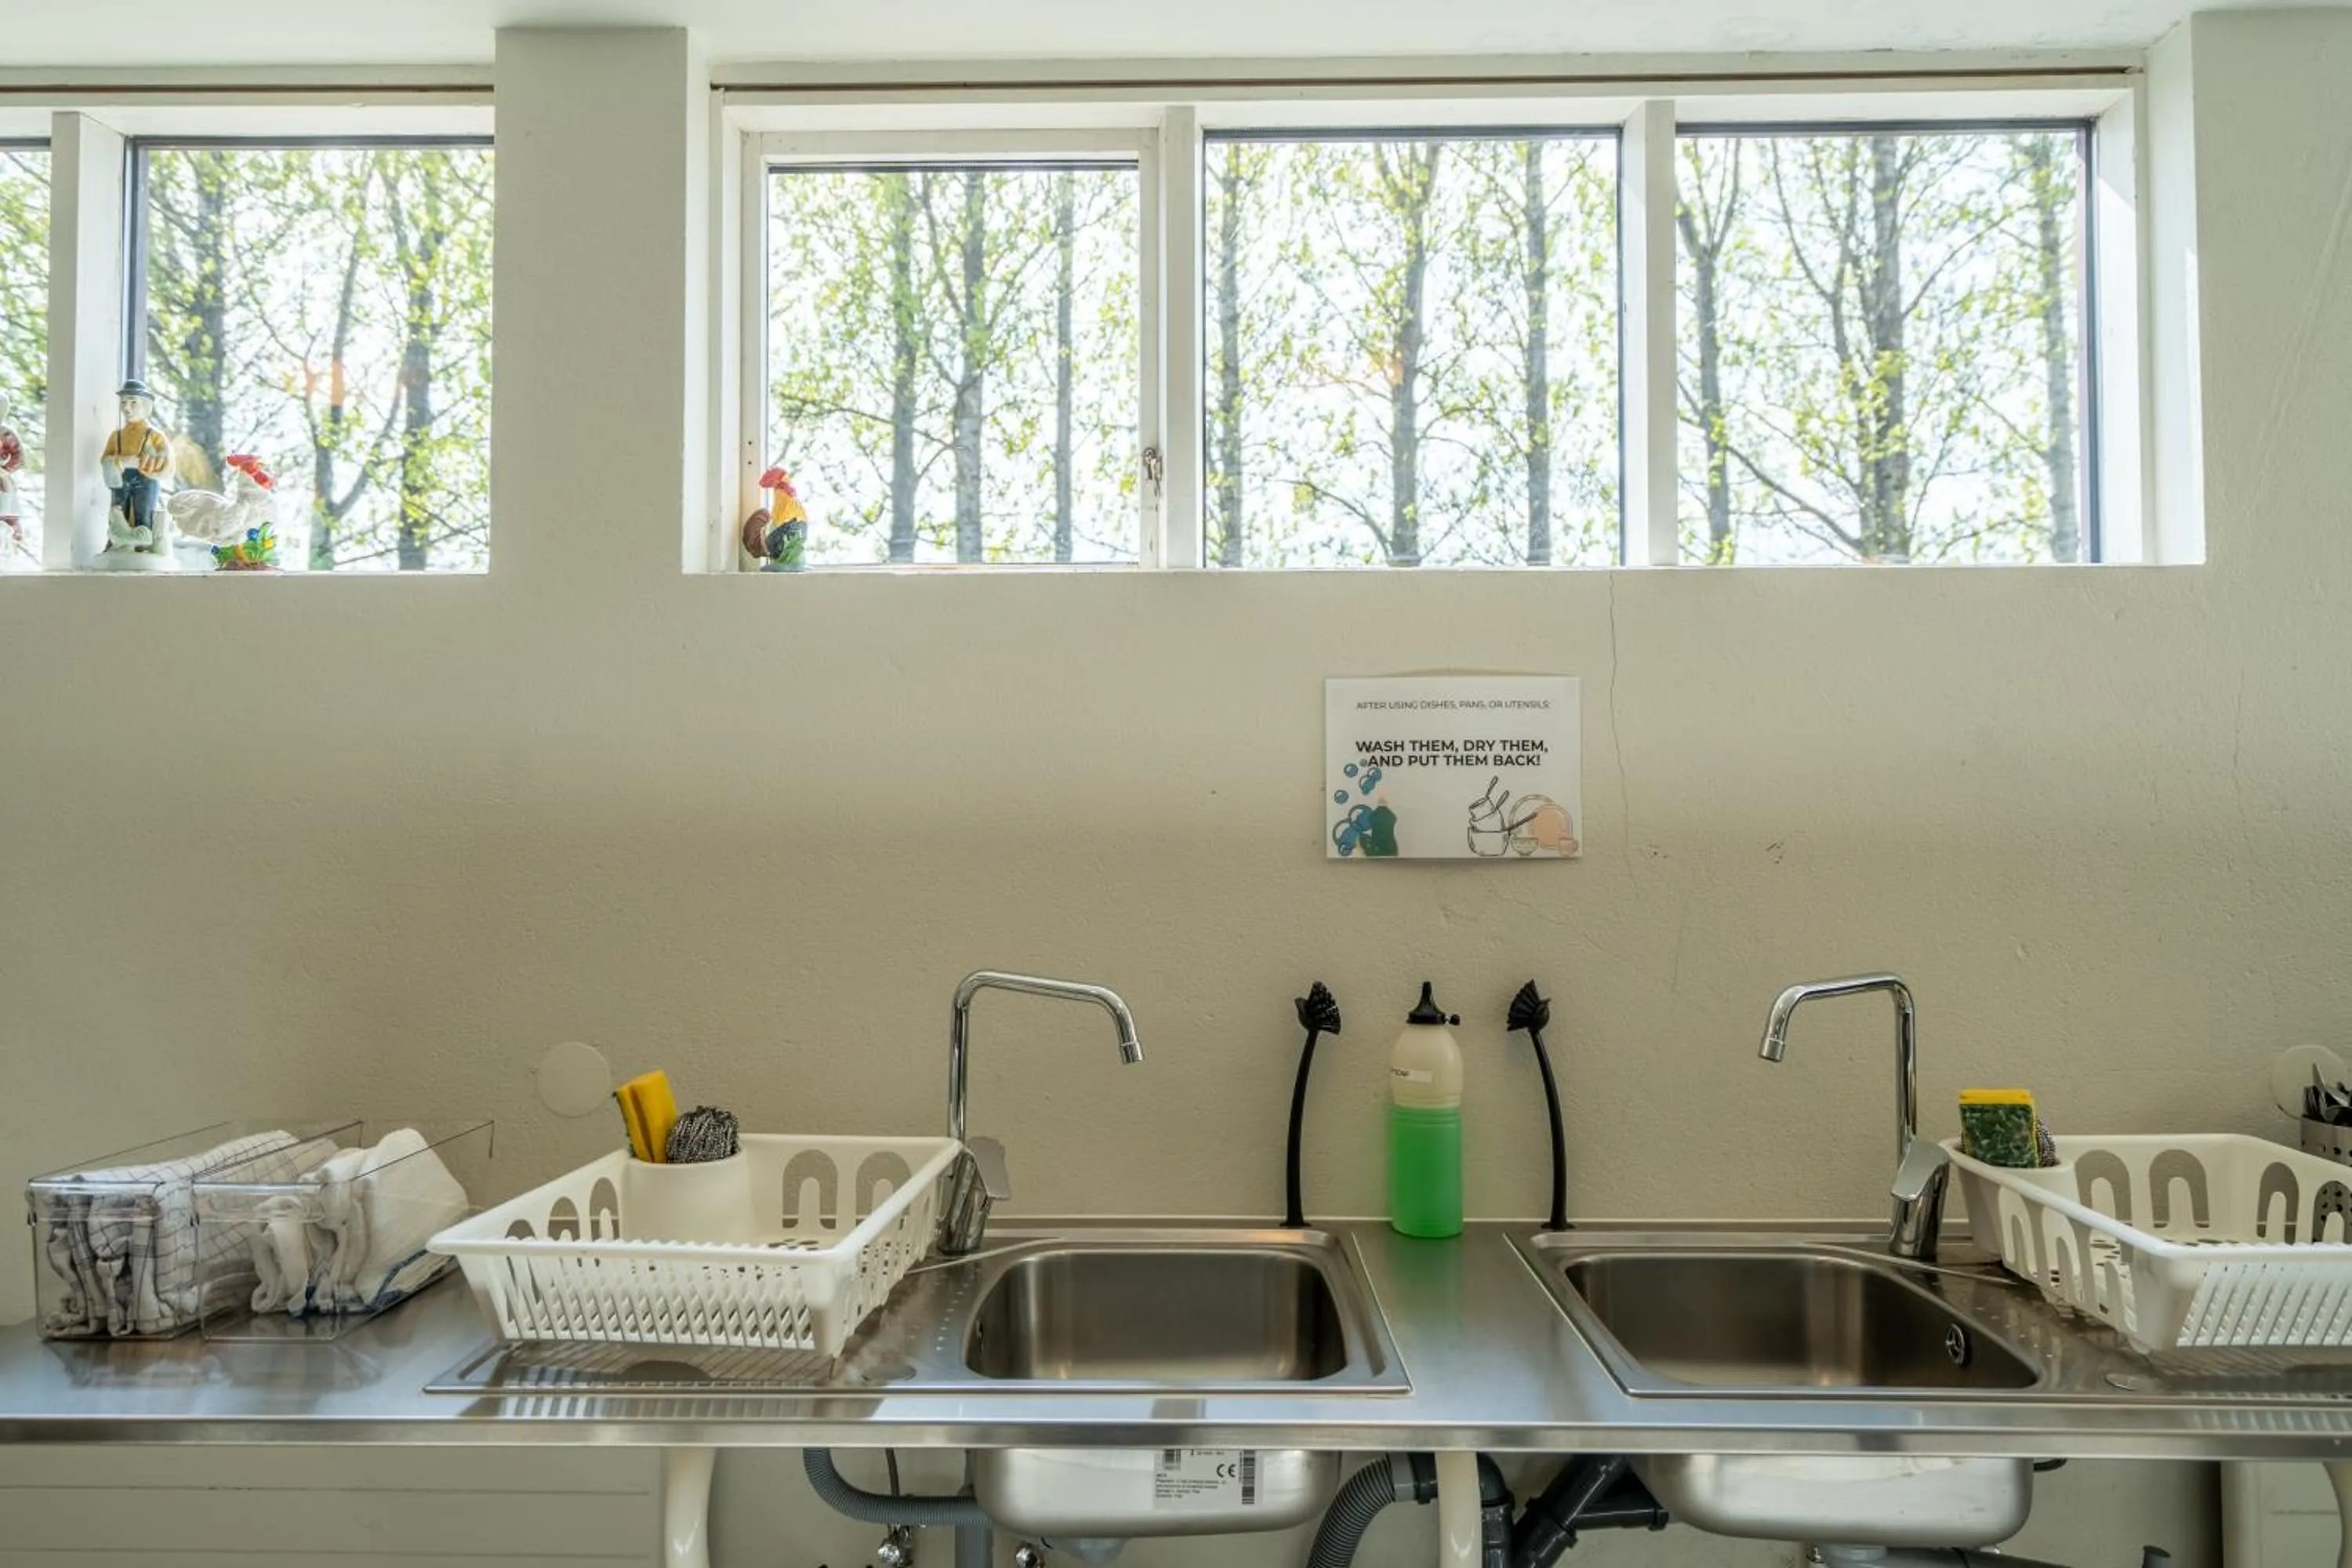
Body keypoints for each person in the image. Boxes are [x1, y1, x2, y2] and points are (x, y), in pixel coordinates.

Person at [101, 379, 172, 551]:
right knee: (119, 511)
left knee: (144, 511)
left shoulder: (155, 435)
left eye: (134, 402)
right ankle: (118, 544)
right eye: (124, 402)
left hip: (146, 479)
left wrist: (152, 464)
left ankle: (143, 545)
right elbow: (105, 460)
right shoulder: (116, 436)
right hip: (121, 479)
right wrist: (122, 461)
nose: (127, 408)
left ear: (146, 405)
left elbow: (168, 462)